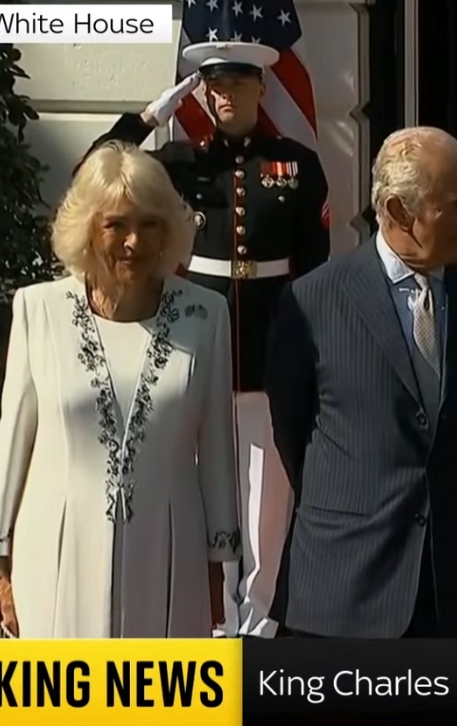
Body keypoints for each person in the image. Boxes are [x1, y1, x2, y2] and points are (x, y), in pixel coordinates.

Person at [86, 41, 331, 638]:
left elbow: (315, 265)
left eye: (236, 84)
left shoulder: (295, 164)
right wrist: (144, 119)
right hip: (193, 349)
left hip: (270, 351)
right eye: (213, 85)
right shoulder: (176, 164)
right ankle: (208, 618)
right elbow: (91, 176)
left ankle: (261, 621)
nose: (223, 96)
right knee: (197, 497)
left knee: (266, 507)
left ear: (260, 89)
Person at [265, 127, 457, 638]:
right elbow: (292, 435)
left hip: (455, 599)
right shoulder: (312, 302)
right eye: (455, 204)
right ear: (399, 211)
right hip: (342, 594)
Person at [0, 143, 238, 639]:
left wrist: (221, 560)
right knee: (63, 709)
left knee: (160, 710)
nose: (135, 241)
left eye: (150, 223)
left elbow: (218, 447)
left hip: (170, 556)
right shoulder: (37, 311)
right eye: (116, 224)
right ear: (88, 227)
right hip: (56, 553)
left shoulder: (206, 315)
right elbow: (12, 443)